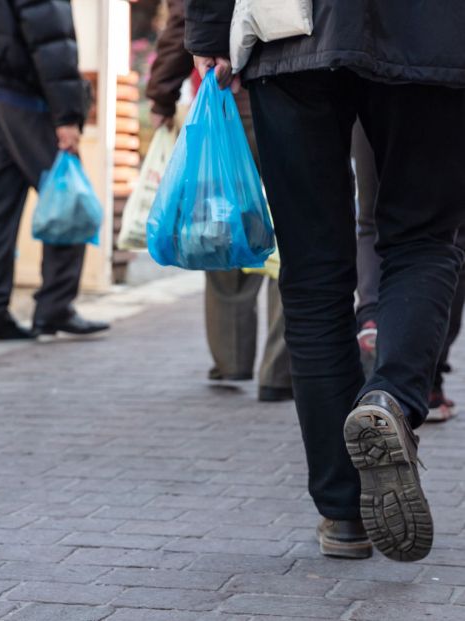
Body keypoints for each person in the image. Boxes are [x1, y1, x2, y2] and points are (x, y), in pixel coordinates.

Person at [185, 1, 465, 562]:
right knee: (423, 241)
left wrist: (209, 27)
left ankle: (343, 512)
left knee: (313, 274)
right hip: (433, 34)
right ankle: (391, 396)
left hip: (291, 35)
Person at [0, 0, 109, 341]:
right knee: (69, 200)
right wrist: (68, 116)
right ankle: (55, 306)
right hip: (26, 99)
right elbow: (52, 39)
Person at [147, 0, 292, 401]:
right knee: (291, 235)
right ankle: (280, 370)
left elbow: (183, 21)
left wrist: (161, 94)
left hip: (230, 106)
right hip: (286, 97)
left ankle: (231, 358)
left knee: (221, 226)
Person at [353, 121, 465, 421]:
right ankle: (426, 381)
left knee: (370, 220)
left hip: (354, 91)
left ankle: (372, 317)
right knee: (438, 235)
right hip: (433, 90)